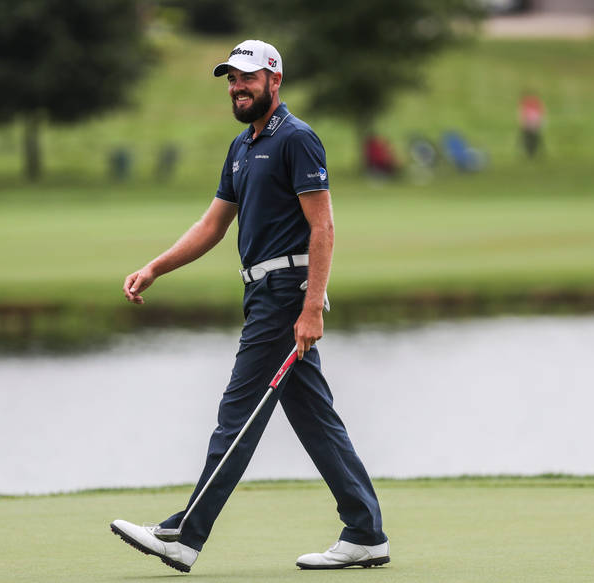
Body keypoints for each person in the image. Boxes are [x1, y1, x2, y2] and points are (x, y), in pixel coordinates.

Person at [110, 39, 389, 573]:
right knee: (314, 418)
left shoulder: (297, 140)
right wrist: (155, 267)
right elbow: (213, 225)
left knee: (236, 414)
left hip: (287, 297)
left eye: (247, 78)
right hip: (261, 293)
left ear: (274, 81)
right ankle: (365, 531)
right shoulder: (241, 147)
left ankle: (185, 536)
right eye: (231, 80)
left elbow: (322, 227)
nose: (237, 88)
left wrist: (310, 309)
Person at [519, 90, 545, 158]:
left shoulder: (534, 103)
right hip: (530, 124)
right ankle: (531, 153)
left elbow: (540, 114)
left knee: (533, 140)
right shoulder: (527, 103)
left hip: (532, 124)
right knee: (530, 140)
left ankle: (534, 153)